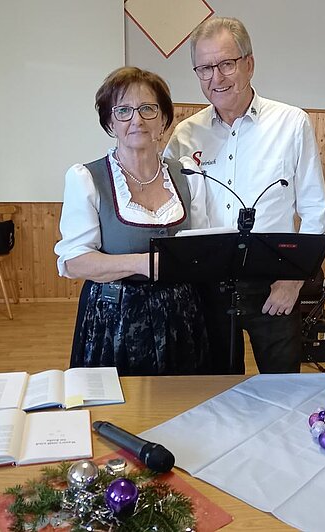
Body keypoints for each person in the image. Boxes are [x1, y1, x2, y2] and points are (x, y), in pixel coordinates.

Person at [165, 17, 325, 375]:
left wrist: (293, 281)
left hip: (274, 284)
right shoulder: (185, 135)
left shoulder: (291, 123)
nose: (216, 78)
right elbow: (169, 209)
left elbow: (315, 211)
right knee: (215, 390)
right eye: (205, 68)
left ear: (249, 64)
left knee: (283, 389)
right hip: (207, 284)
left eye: (226, 64)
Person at [55, 67, 209, 376]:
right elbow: (74, 261)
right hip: (113, 321)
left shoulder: (189, 176)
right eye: (123, 110)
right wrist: (142, 263)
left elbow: (203, 246)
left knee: (182, 400)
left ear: (163, 120)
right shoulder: (87, 178)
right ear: (110, 123)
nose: (136, 119)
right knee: (117, 402)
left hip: (181, 318)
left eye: (148, 109)